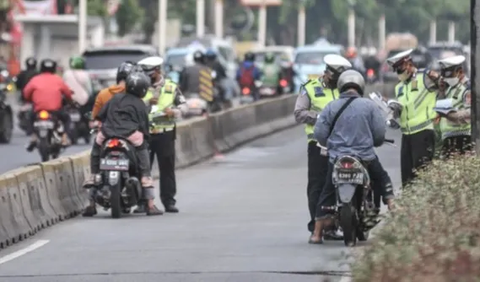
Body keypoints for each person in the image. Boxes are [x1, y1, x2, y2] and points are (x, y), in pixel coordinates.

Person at [310, 70, 395, 244]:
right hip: (365, 157)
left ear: (341, 86)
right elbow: (379, 134)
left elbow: (319, 134)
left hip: (337, 158)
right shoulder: (370, 106)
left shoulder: (331, 106)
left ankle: (317, 234)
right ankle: (392, 204)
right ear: (360, 87)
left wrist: (332, 145)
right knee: (381, 177)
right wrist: (373, 142)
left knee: (327, 190)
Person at [82, 71, 163, 216]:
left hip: (108, 134)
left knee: (96, 149)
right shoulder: (140, 104)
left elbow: (101, 116)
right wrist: (146, 137)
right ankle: (150, 203)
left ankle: (92, 183)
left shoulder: (115, 98)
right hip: (130, 135)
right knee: (144, 159)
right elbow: (144, 126)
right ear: (143, 89)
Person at [294, 54, 352, 235]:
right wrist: (320, 118)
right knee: (317, 185)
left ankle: (336, 224)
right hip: (318, 145)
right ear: (329, 73)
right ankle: (316, 225)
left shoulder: (346, 90)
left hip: (343, 144)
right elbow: (299, 113)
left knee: (340, 182)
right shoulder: (310, 89)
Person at [135, 56, 188, 214]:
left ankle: (169, 201)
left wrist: (174, 112)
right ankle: (142, 202)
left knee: (167, 168)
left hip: (165, 133)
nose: (147, 76)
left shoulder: (171, 87)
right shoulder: (139, 87)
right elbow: (132, 106)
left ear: (157, 70)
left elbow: (184, 107)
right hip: (145, 133)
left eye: (149, 73)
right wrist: (146, 103)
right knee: (143, 169)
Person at [386, 49, 437, 187]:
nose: (398, 72)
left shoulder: (424, 76)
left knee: (422, 177)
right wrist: (393, 111)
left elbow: (443, 86)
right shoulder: (399, 87)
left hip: (423, 132)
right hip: (406, 135)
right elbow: (404, 108)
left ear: (408, 63)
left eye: (400, 68)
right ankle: (410, 208)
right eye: (395, 70)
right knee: (407, 179)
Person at [23, 59, 73, 151]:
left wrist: (30, 100)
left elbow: (26, 93)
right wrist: (70, 101)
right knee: (67, 119)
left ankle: (33, 137)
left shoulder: (35, 79)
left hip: (38, 109)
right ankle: (64, 138)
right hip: (55, 110)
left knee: (29, 117)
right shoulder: (58, 79)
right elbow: (67, 93)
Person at [437, 55, 472, 157]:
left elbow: (470, 114)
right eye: (443, 73)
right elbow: (442, 105)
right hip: (448, 137)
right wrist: (441, 91)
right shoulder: (449, 88)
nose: (445, 77)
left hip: (463, 137)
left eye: (448, 73)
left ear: (459, 72)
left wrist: (451, 115)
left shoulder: (467, 88)